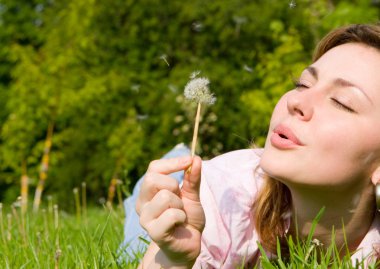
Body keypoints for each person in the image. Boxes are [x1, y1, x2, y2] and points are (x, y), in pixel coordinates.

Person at [134, 24, 380, 268]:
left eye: (341, 102)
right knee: (140, 231)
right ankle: (177, 155)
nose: (295, 100)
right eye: (302, 84)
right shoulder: (223, 195)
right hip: (206, 179)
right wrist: (174, 259)